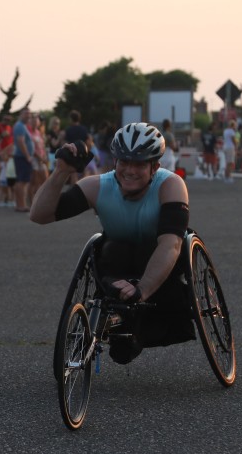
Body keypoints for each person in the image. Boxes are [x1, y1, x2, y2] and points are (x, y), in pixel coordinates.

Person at [30, 122, 195, 365]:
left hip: (161, 262)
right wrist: (61, 171)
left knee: (164, 250)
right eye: (124, 162)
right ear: (114, 161)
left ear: (155, 167)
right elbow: (39, 215)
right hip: (117, 260)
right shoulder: (97, 186)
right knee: (111, 251)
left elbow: (170, 245)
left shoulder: (170, 185)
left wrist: (142, 289)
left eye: (139, 164)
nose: (130, 170)